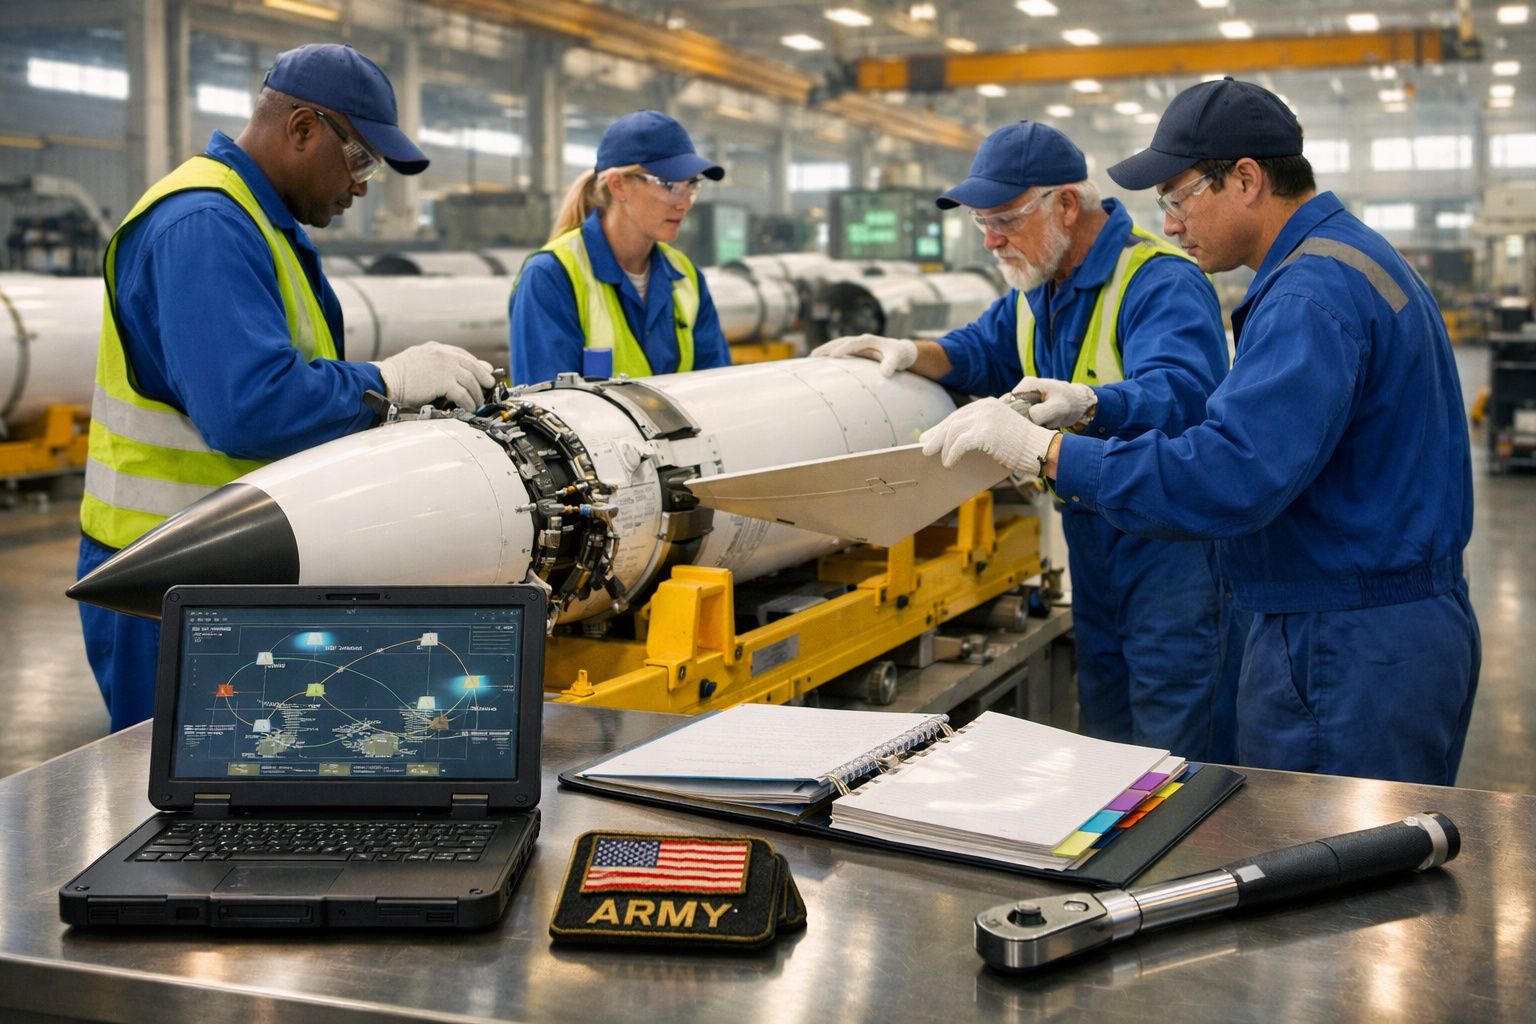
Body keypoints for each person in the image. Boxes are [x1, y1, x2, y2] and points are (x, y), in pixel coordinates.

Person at [920, 80, 1480, 786]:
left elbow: (1229, 475)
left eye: (1179, 199)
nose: (1173, 225)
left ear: (1245, 179)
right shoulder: (1343, 260)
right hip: (1361, 624)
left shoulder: (1310, 294)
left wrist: (1046, 451)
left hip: (1345, 642)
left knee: (1330, 866)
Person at [78, 43, 495, 732]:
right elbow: (248, 407)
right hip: (166, 582)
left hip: (226, 567)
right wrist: (385, 382)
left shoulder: (252, 219)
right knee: (178, 811)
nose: (361, 187)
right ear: (302, 128)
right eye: (360, 159)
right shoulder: (204, 226)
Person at [813, 121, 1239, 761]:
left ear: (1066, 204)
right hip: (1093, 546)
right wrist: (906, 351)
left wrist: (1091, 402)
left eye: (1005, 218)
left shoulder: (1157, 282)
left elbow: (1183, 393)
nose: (990, 240)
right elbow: (976, 350)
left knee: (1173, 743)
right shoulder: (1039, 285)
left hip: (1168, 551)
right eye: (981, 223)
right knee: (1108, 737)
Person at [509, 110, 732, 384]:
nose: (684, 203)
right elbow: (547, 413)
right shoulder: (551, 277)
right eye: (669, 185)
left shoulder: (687, 276)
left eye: (691, 186)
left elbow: (718, 386)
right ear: (618, 185)